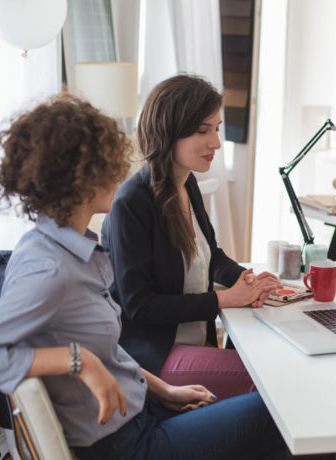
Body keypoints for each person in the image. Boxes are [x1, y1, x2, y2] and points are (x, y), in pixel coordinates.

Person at [0, 95, 289, 459]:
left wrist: (164, 390)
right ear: (80, 178)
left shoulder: (69, 250)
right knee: (283, 414)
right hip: (126, 445)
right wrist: (80, 361)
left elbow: (106, 349)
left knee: (273, 412)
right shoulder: (50, 268)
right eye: (107, 163)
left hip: (140, 417)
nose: (119, 171)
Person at [101, 75, 281, 399]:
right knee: (270, 380)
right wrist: (227, 298)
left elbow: (211, 256)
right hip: (154, 357)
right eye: (203, 130)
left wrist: (247, 280)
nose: (216, 143)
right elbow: (139, 306)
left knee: (272, 360)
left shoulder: (186, 183)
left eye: (217, 128)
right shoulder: (132, 202)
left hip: (191, 344)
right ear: (168, 132)